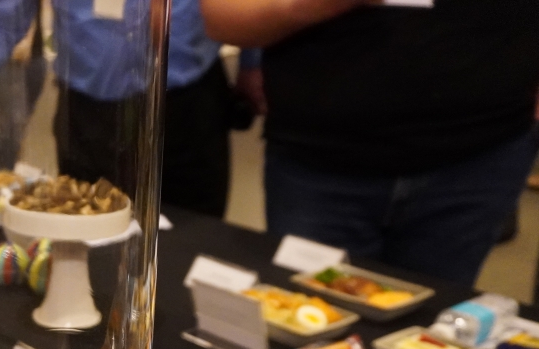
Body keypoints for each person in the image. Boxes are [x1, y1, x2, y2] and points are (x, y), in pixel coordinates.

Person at [201, 0, 539, 286]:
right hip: (321, 162)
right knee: (317, 334)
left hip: (482, 155)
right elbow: (224, 19)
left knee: (433, 337)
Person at [0, 0, 234, 217]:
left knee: (185, 249)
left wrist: (251, 63)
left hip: (184, 110)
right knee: (87, 254)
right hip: (87, 119)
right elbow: (0, 24)